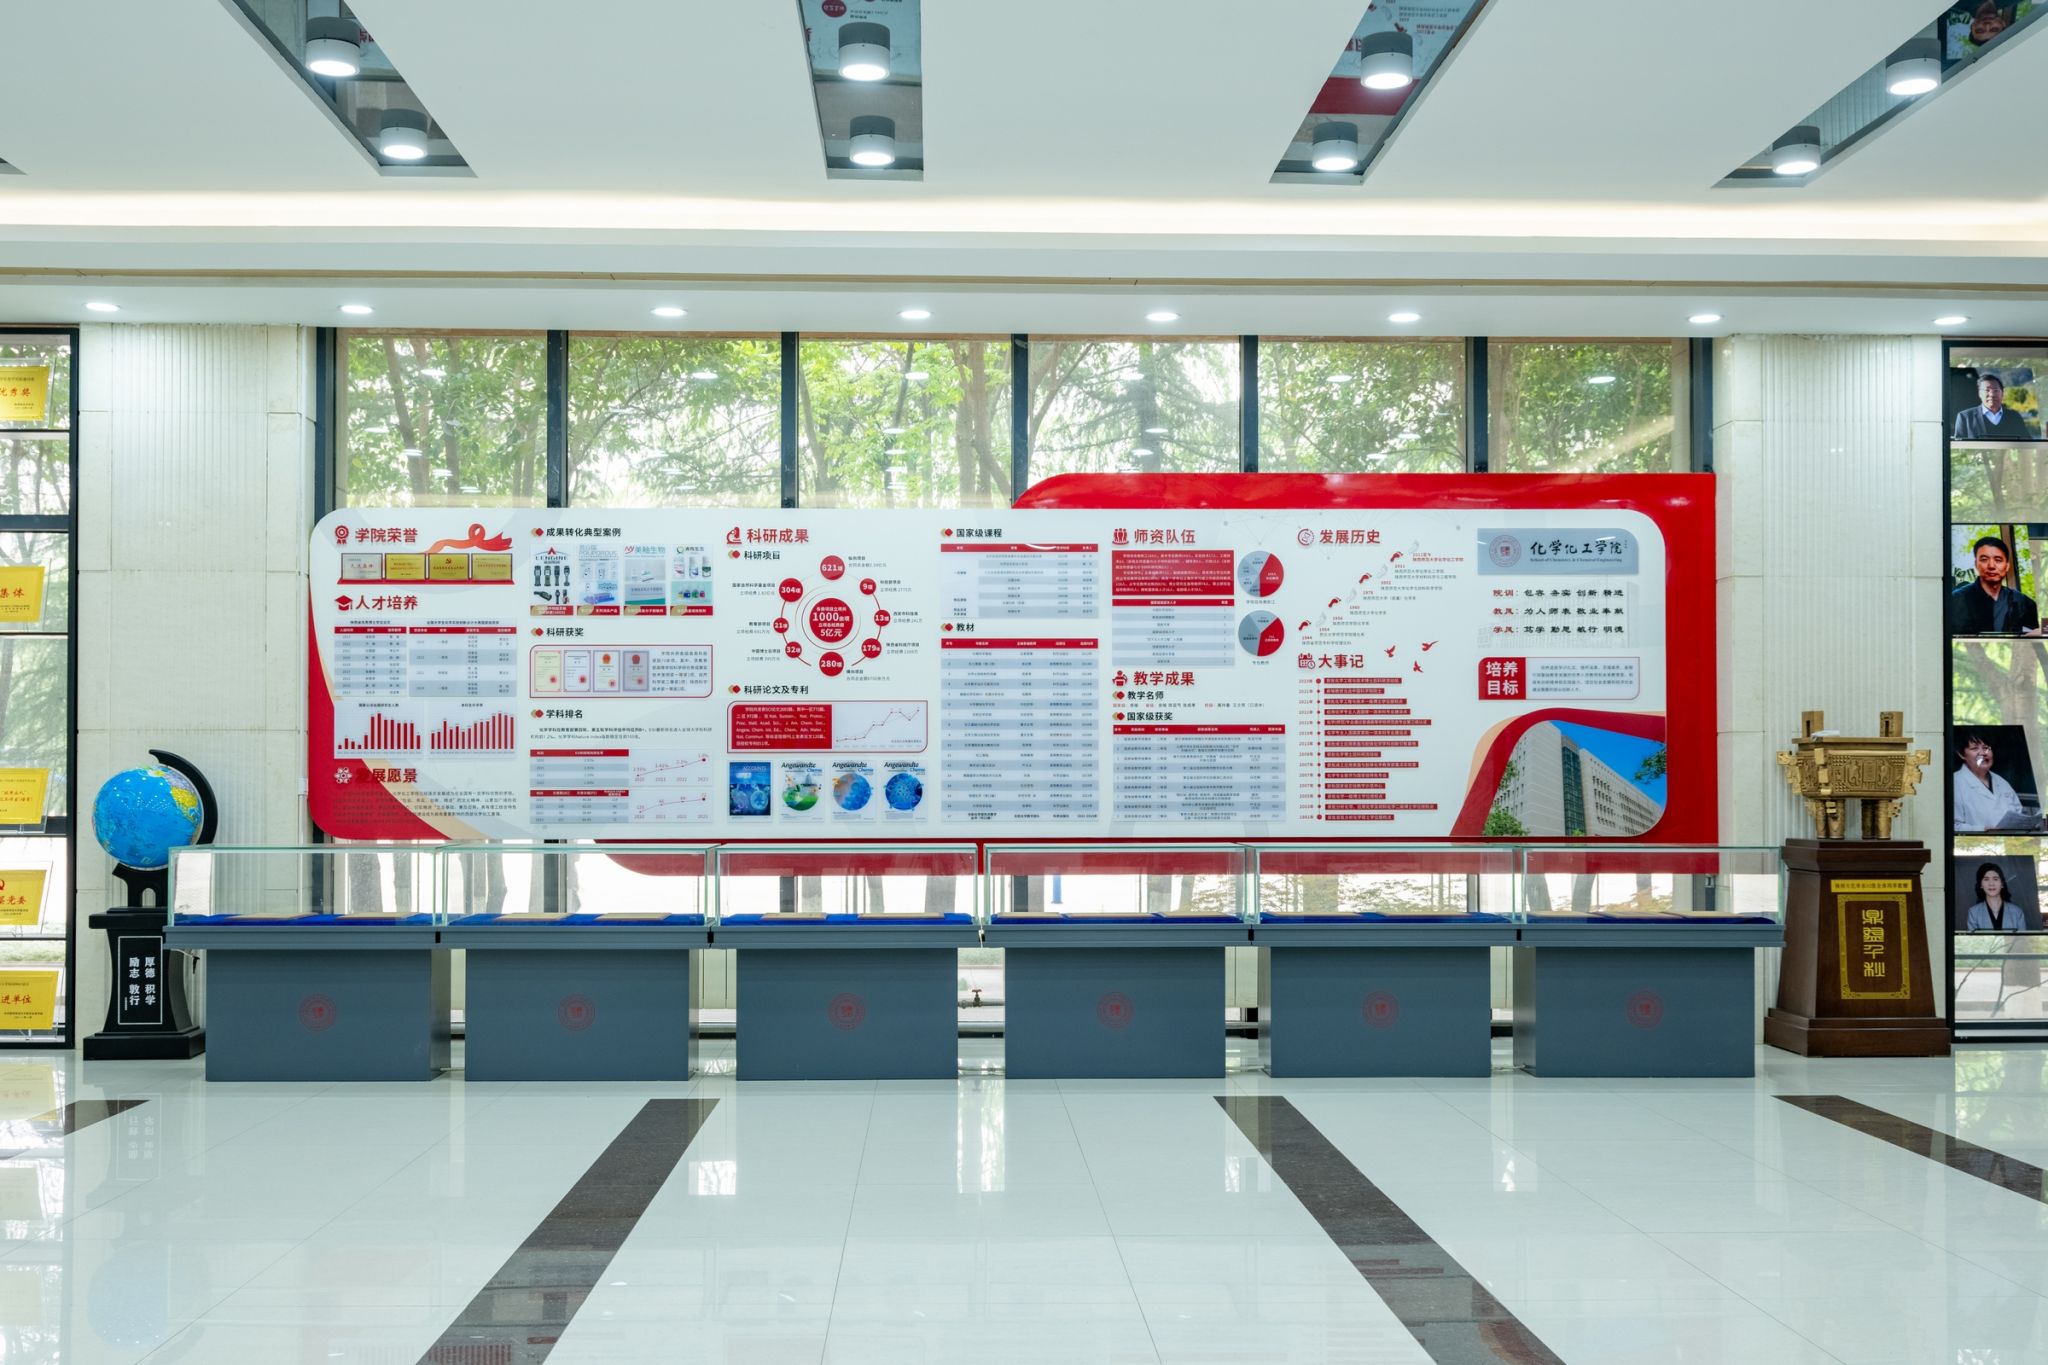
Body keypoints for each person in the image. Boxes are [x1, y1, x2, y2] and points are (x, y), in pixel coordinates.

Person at [1948, 535, 2040, 634]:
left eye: (1998, 560)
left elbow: (2038, 634)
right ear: (1976, 564)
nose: (1991, 566)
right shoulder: (1956, 600)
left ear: (2007, 566)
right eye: (1984, 559)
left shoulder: (2024, 603)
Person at [1954, 729, 2027, 831]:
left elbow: (2019, 814)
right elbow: (1952, 826)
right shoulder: (1955, 783)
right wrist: (1983, 830)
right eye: (1974, 748)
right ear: (1961, 754)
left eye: (1986, 748)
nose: (1983, 753)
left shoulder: (2002, 782)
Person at [1954, 374, 2038, 441]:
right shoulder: (1965, 417)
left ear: (2002, 393)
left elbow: (2027, 443)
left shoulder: (2014, 417)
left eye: (1996, 390)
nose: (1992, 394)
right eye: (1987, 390)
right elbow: (1959, 448)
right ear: (1979, 393)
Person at [1965, 861, 2032, 931]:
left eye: (1995, 879)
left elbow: (2022, 937)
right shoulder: (1973, 913)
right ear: (1981, 885)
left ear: (2002, 883)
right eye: (1986, 879)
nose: (1991, 883)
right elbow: (1972, 938)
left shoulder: (2017, 912)